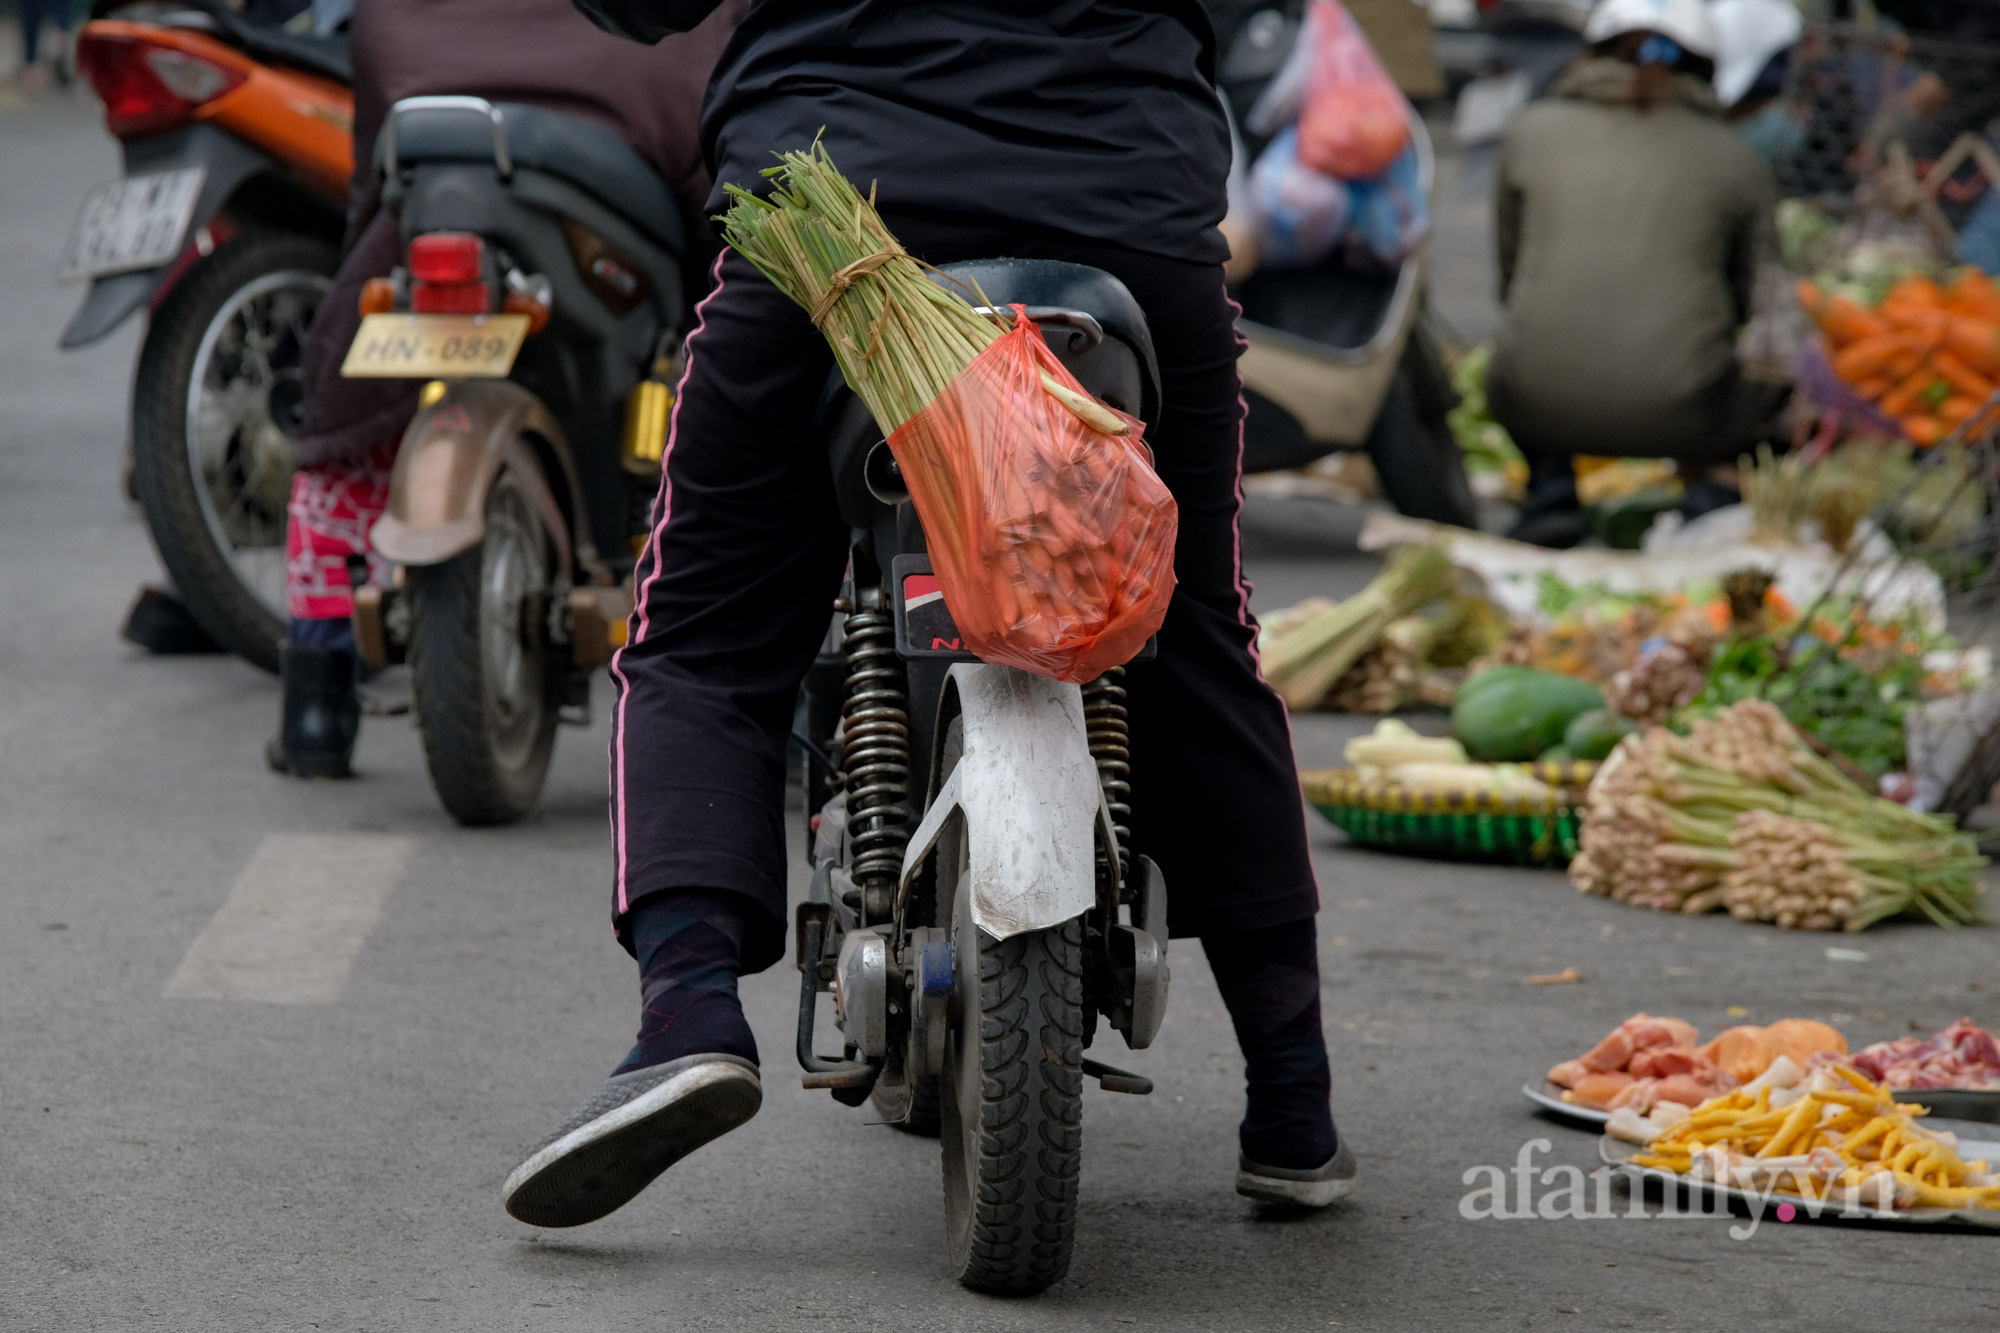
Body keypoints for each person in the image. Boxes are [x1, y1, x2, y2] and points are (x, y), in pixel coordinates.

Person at [501, 0, 1354, 1229]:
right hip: (1125, 225)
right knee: (1192, 632)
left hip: (840, 223)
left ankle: (684, 1014)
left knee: (702, 640)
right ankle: (1291, 1101)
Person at [265, 0, 742, 777]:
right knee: (733, 324)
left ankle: (314, 706)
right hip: (624, 91)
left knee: (345, 395)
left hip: (426, 111)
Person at [1489, 0, 1783, 548]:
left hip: (1533, 400)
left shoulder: (1532, 130)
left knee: (1507, 361)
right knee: (1787, 385)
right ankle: (1712, 495)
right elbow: (1759, 304)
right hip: (1686, 415)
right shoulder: (1734, 156)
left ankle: (1550, 487)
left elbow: (1509, 279)